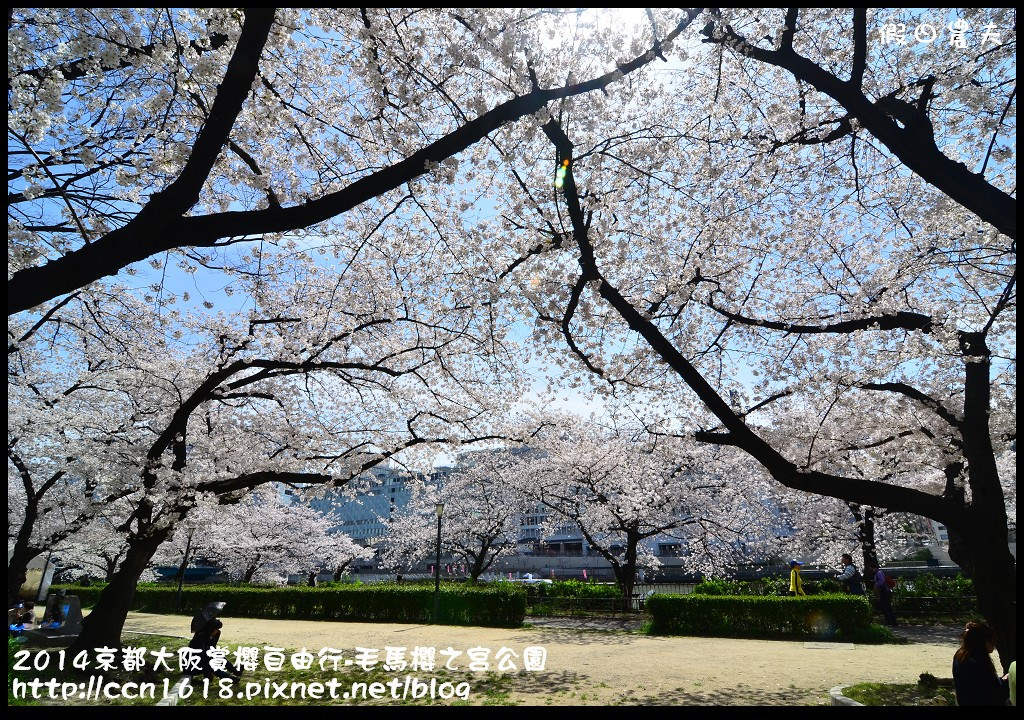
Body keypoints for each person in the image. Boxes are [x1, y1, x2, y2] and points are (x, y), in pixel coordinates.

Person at [952, 621, 1010, 706]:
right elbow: (995, 695)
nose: (994, 645)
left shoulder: (960, 656)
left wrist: (1002, 680)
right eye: (993, 641)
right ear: (986, 641)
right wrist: (1007, 683)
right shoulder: (978, 663)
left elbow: (982, 685)